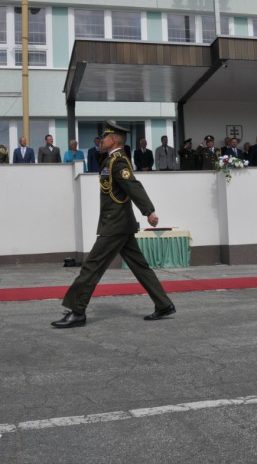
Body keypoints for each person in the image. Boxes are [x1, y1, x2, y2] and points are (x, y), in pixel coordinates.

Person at [51, 120, 176, 328]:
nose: (101, 140)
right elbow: (103, 165)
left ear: (114, 139)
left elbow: (133, 186)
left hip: (115, 224)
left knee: (92, 266)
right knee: (140, 266)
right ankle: (163, 304)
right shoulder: (110, 159)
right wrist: (102, 150)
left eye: (105, 137)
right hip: (120, 223)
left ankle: (77, 311)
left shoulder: (118, 162)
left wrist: (148, 211)